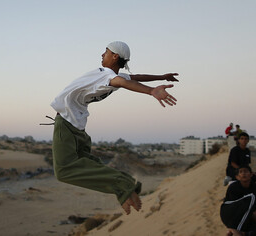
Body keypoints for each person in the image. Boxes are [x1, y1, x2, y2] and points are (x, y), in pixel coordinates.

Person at [50, 41, 179, 215]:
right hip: (77, 126)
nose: (102, 55)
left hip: (66, 123)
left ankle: (123, 186)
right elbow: (135, 77)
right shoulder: (112, 77)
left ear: (115, 56)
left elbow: (121, 81)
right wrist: (161, 76)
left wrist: (151, 91)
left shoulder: (104, 74)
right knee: (87, 163)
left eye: (106, 51)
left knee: (64, 170)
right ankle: (125, 187)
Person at [221, 165, 256, 235]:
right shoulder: (233, 187)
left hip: (246, 212)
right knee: (250, 198)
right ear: (237, 177)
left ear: (251, 174)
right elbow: (233, 205)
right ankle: (233, 229)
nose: (243, 173)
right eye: (241, 172)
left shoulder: (254, 186)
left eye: (246, 171)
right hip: (229, 211)